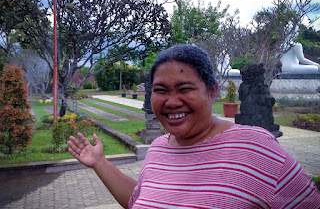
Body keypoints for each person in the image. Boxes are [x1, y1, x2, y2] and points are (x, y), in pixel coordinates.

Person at [68, 45, 320, 208]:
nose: (171, 101)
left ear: (212, 91)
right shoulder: (157, 149)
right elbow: (137, 201)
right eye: (160, 90)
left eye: (184, 89)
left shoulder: (255, 147)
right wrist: (100, 163)